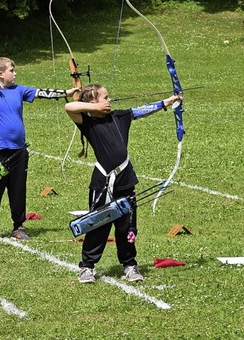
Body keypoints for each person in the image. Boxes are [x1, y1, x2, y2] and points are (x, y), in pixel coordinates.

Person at [64, 83, 182, 283]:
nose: (109, 100)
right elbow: (69, 107)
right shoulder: (87, 122)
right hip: (103, 181)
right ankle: (87, 267)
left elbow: (142, 110)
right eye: (105, 98)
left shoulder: (120, 116)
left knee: (126, 225)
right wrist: (95, 108)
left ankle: (129, 265)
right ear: (92, 102)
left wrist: (168, 102)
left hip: (125, 178)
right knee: (97, 224)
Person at [0, 57, 78, 241]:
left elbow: (42, 93)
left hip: (18, 151)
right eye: (11, 70)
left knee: (18, 189)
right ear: (0, 74)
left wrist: (67, 92)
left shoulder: (19, 90)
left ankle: (18, 226)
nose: (15, 74)